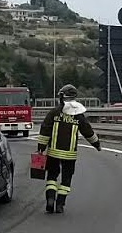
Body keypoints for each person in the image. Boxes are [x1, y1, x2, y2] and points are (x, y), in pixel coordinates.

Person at [36, 84, 100, 213]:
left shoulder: (54, 113)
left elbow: (45, 130)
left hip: (53, 152)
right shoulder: (78, 115)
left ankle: (50, 198)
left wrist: (41, 148)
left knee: (52, 177)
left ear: (61, 96)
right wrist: (97, 144)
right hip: (70, 155)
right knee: (66, 179)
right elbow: (88, 132)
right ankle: (60, 204)